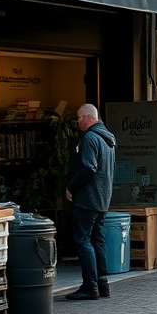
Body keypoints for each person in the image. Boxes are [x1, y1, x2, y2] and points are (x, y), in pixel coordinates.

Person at [64, 104, 116, 301]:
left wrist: (71, 187)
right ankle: (103, 284)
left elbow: (88, 167)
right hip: (103, 197)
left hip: (88, 198)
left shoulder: (90, 138)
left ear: (89, 117)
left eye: (79, 118)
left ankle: (89, 286)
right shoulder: (108, 138)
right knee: (98, 240)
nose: (77, 122)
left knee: (83, 240)